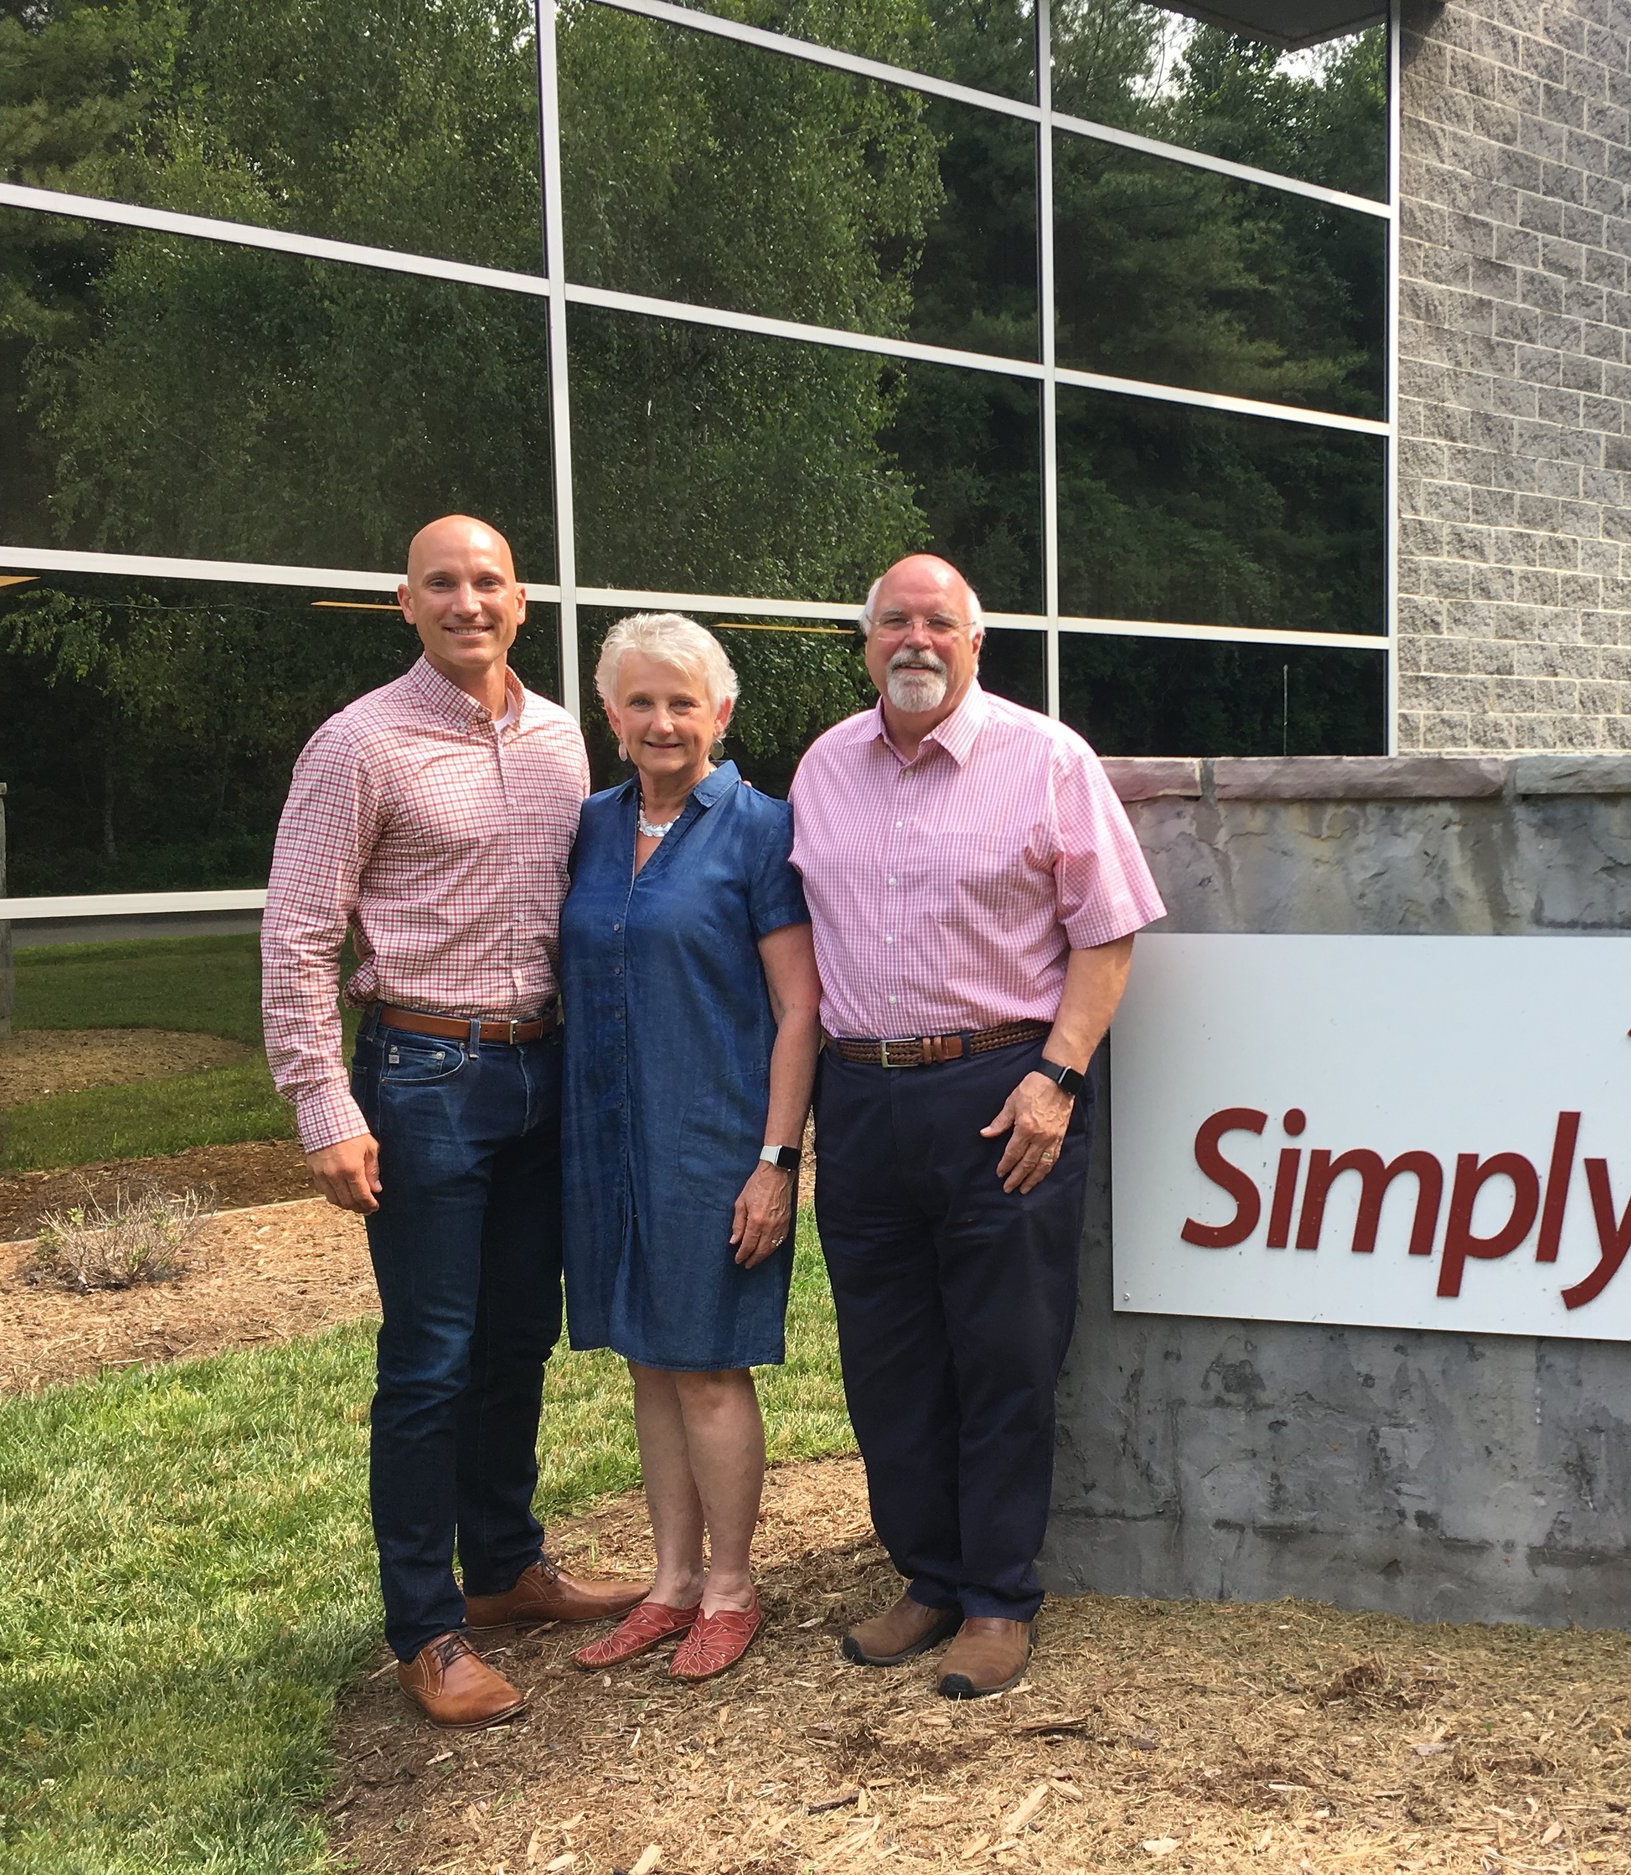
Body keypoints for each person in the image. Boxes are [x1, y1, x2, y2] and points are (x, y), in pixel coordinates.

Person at [262, 515, 644, 1729]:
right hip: (424, 1075)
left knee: (520, 1335)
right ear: (405, 603)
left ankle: (505, 1569)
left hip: (541, 1074)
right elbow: (296, 937)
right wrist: (324, 1103)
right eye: (443, 584)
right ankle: (425, 1627)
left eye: (487, 582)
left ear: (520, 602)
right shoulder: (356, 747)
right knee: (429, 1358)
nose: (466, 601)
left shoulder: (557, 738)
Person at [789, 552, 1165, 1699]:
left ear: (973, 642)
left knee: (1003, 1355)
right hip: (858, 1099)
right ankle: (928, 1577)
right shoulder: (821, 768)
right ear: (865, 644)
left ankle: (998, 1596)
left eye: (938, 623)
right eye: (894, 622)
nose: (915, 640)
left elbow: (1108, 933)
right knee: (888, 1360)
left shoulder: (1046, 760)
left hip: (1003, 1091)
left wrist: (1057, 1078)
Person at [559, 614, 821, 1683]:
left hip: (714, 1134)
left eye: (684, 701)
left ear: (721, 713)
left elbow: (799, 1008)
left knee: (708, 1367)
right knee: (649, 1362)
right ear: (611, 716)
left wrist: (776, 1160)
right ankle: (668, 1584)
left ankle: (730, 1587)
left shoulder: (762, 829)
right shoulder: (588, 824)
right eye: (640, 701)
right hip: (608, 1132)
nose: (662, 721)